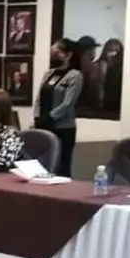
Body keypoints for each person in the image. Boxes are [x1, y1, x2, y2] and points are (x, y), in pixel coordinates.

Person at [34, 39, 84, 178]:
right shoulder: (49, 73)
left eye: (57, 53)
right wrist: (37, 117)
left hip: (63, 128)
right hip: (44, 125)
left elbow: (68, 103)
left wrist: (50, 117)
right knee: (43, 164)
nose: (54, 56)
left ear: (68, 55)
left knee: (61, 166)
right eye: (52, 53)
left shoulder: (75, 75)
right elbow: (39, 97)